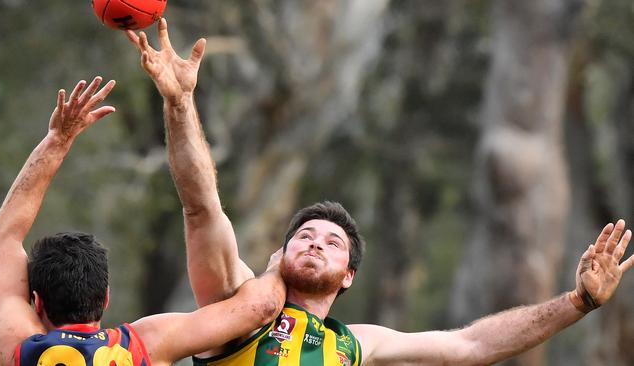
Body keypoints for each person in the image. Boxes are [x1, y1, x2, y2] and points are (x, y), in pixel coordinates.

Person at [126, 19, 634, 365]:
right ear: (278, 254)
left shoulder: (354, 344)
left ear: (348, 277)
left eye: (332, 243)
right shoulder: (237, 303)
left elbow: (471, 345)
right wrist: (179, 104)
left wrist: (579, 302)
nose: (315, 243)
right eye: (305, 235)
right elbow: (201, 208)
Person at [0, 76, 286, 366]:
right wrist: (278, 266)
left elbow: (4, 235)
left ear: (36, 302)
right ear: (105, 298)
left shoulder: (18, 348)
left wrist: (57, 141)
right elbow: (261, 308)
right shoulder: (145, 345)